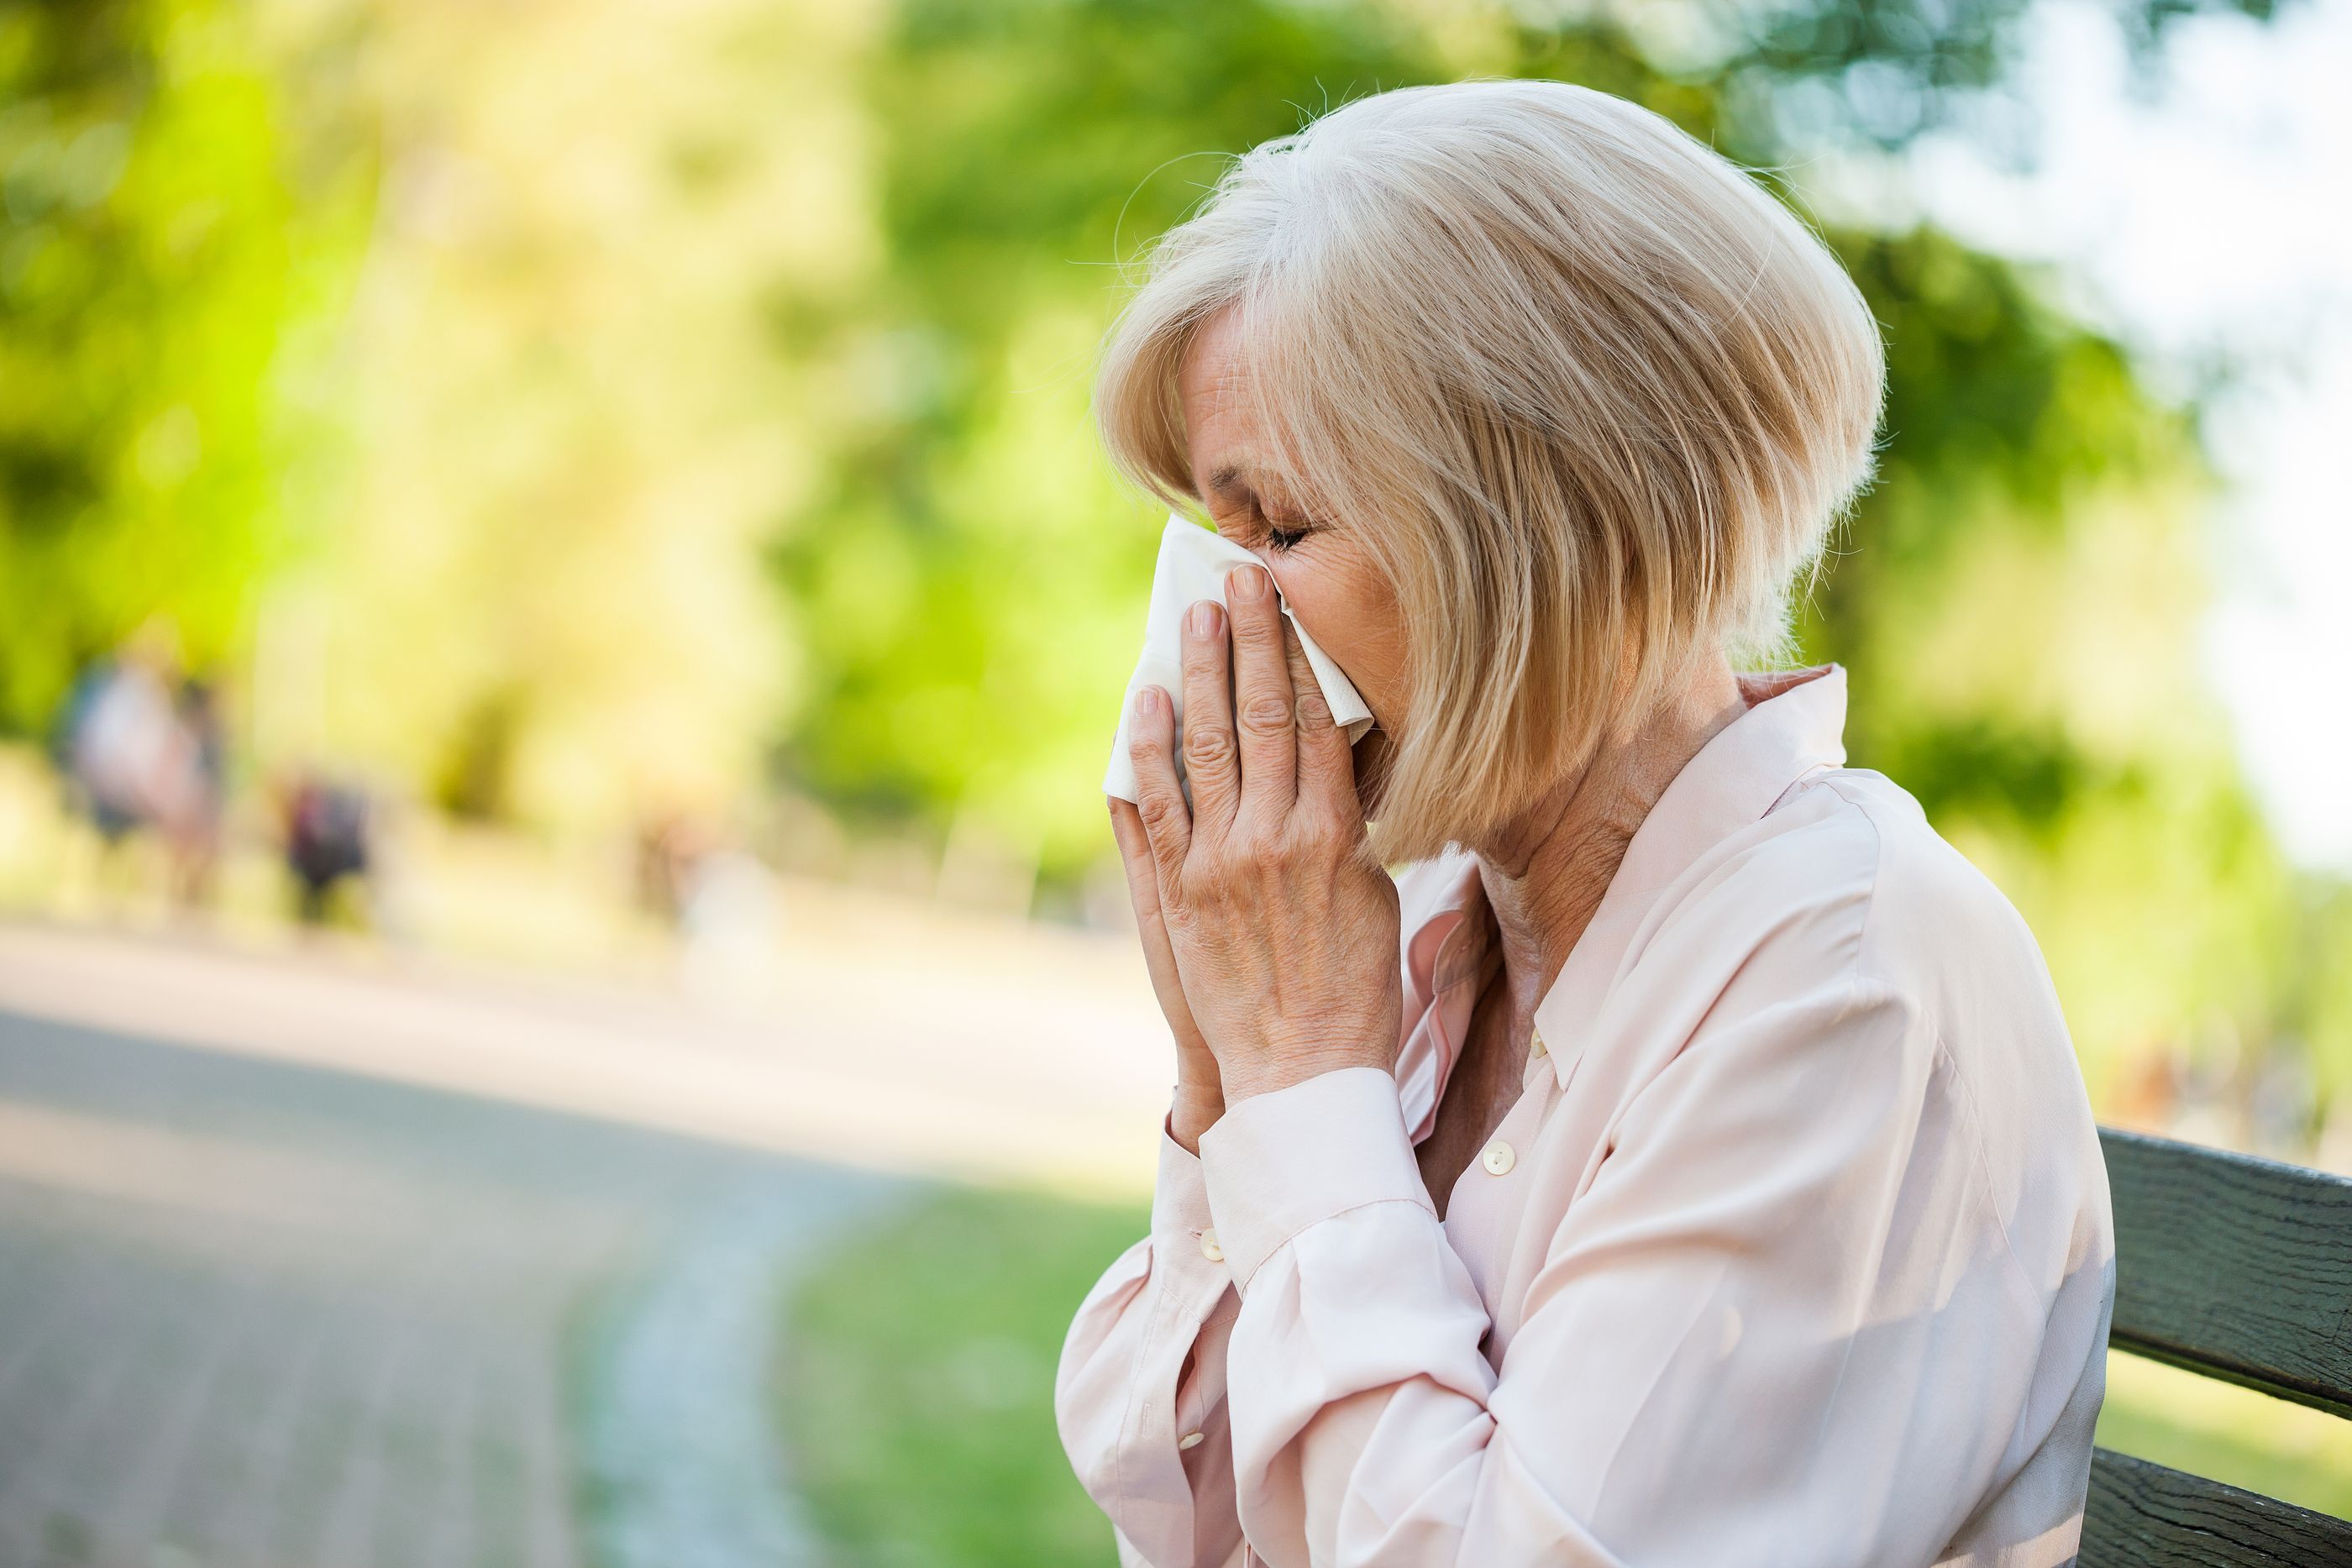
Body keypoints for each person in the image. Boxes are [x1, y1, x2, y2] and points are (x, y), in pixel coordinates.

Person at [1057, 80, 2114, 1568]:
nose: (1216, 619)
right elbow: (1184, 1518)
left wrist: (1299, 1072)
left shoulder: (1849, 981)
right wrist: (1230, 1076)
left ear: (1542, 533)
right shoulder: (1437, 940)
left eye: (1279, 531)